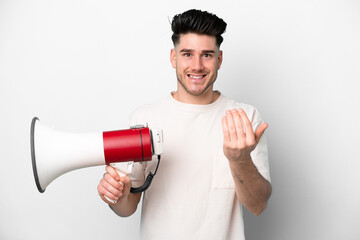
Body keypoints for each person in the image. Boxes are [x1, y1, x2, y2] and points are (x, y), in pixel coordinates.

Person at [97, 9, 272, 240]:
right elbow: (127, 207)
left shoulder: (244, 117)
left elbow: (258, 205)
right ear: (173, 57)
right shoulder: (144, 118)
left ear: (219, 60)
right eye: (187, 54)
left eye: (207, 55)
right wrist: (116, 196)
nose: (197, 66)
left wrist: (239, 160)